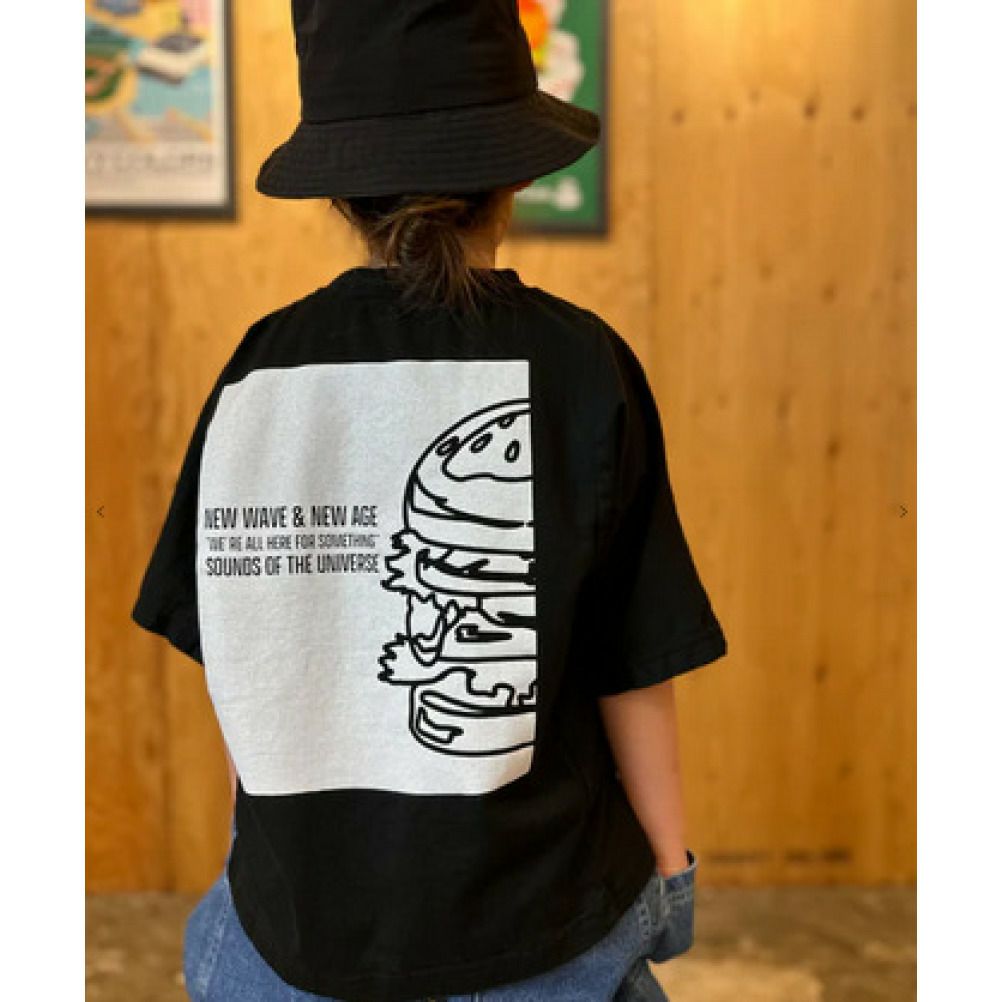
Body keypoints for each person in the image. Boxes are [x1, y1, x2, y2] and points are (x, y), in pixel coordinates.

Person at [131, 2, 728, 1000]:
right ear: (515, 175)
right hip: (543, 924)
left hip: (288, 936)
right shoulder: (583, 364)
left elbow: (250, 656)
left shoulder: (258, 371)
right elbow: (633, 663)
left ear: (341, 193)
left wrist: (261, 856)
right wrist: (671, 871)